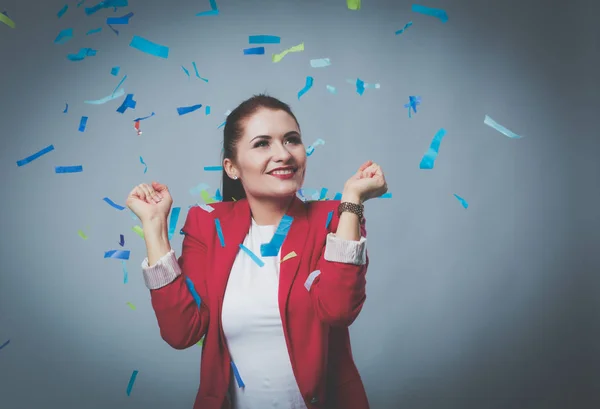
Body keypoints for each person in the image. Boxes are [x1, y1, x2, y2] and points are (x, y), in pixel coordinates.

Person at [126, 94, 388, 409]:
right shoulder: (206, 224)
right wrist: (155, 229)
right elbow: (182, 332)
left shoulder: (334, 218)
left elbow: (339, 309)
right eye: (262, 143)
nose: (283, 154)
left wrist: (352, 200)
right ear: (232, 167)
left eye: (292, 140)